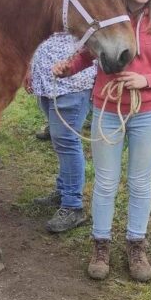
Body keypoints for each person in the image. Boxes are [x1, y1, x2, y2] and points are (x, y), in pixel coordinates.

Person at [53, 0, 151, 282]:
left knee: (141, 184)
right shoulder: (112, 15)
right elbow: (89, 53)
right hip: (107, 111)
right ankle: (100, 244)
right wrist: (68, 67)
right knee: (106, 182)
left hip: (148, 114)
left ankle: (136, 244)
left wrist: (147, 80)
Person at [25, 33, 97, 233]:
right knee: (60, 141)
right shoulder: (51, 4)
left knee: (66, 141)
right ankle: (64, 191)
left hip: (73, 84)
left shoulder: (83, 4)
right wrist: (30, 66)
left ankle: (73, 205)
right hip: (47, 84)